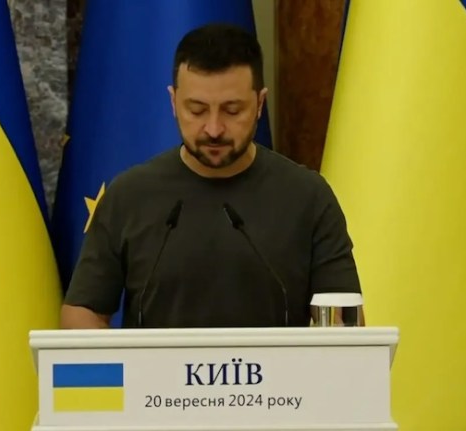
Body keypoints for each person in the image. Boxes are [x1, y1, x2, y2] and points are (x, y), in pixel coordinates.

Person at [60, 23, 362, 329]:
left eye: (232, 111)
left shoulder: (307, 197)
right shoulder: (129, 195)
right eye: (197, 110)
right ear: (173, 102)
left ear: (260, 104)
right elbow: (82, 312)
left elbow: (346, 323)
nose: (214, 129)